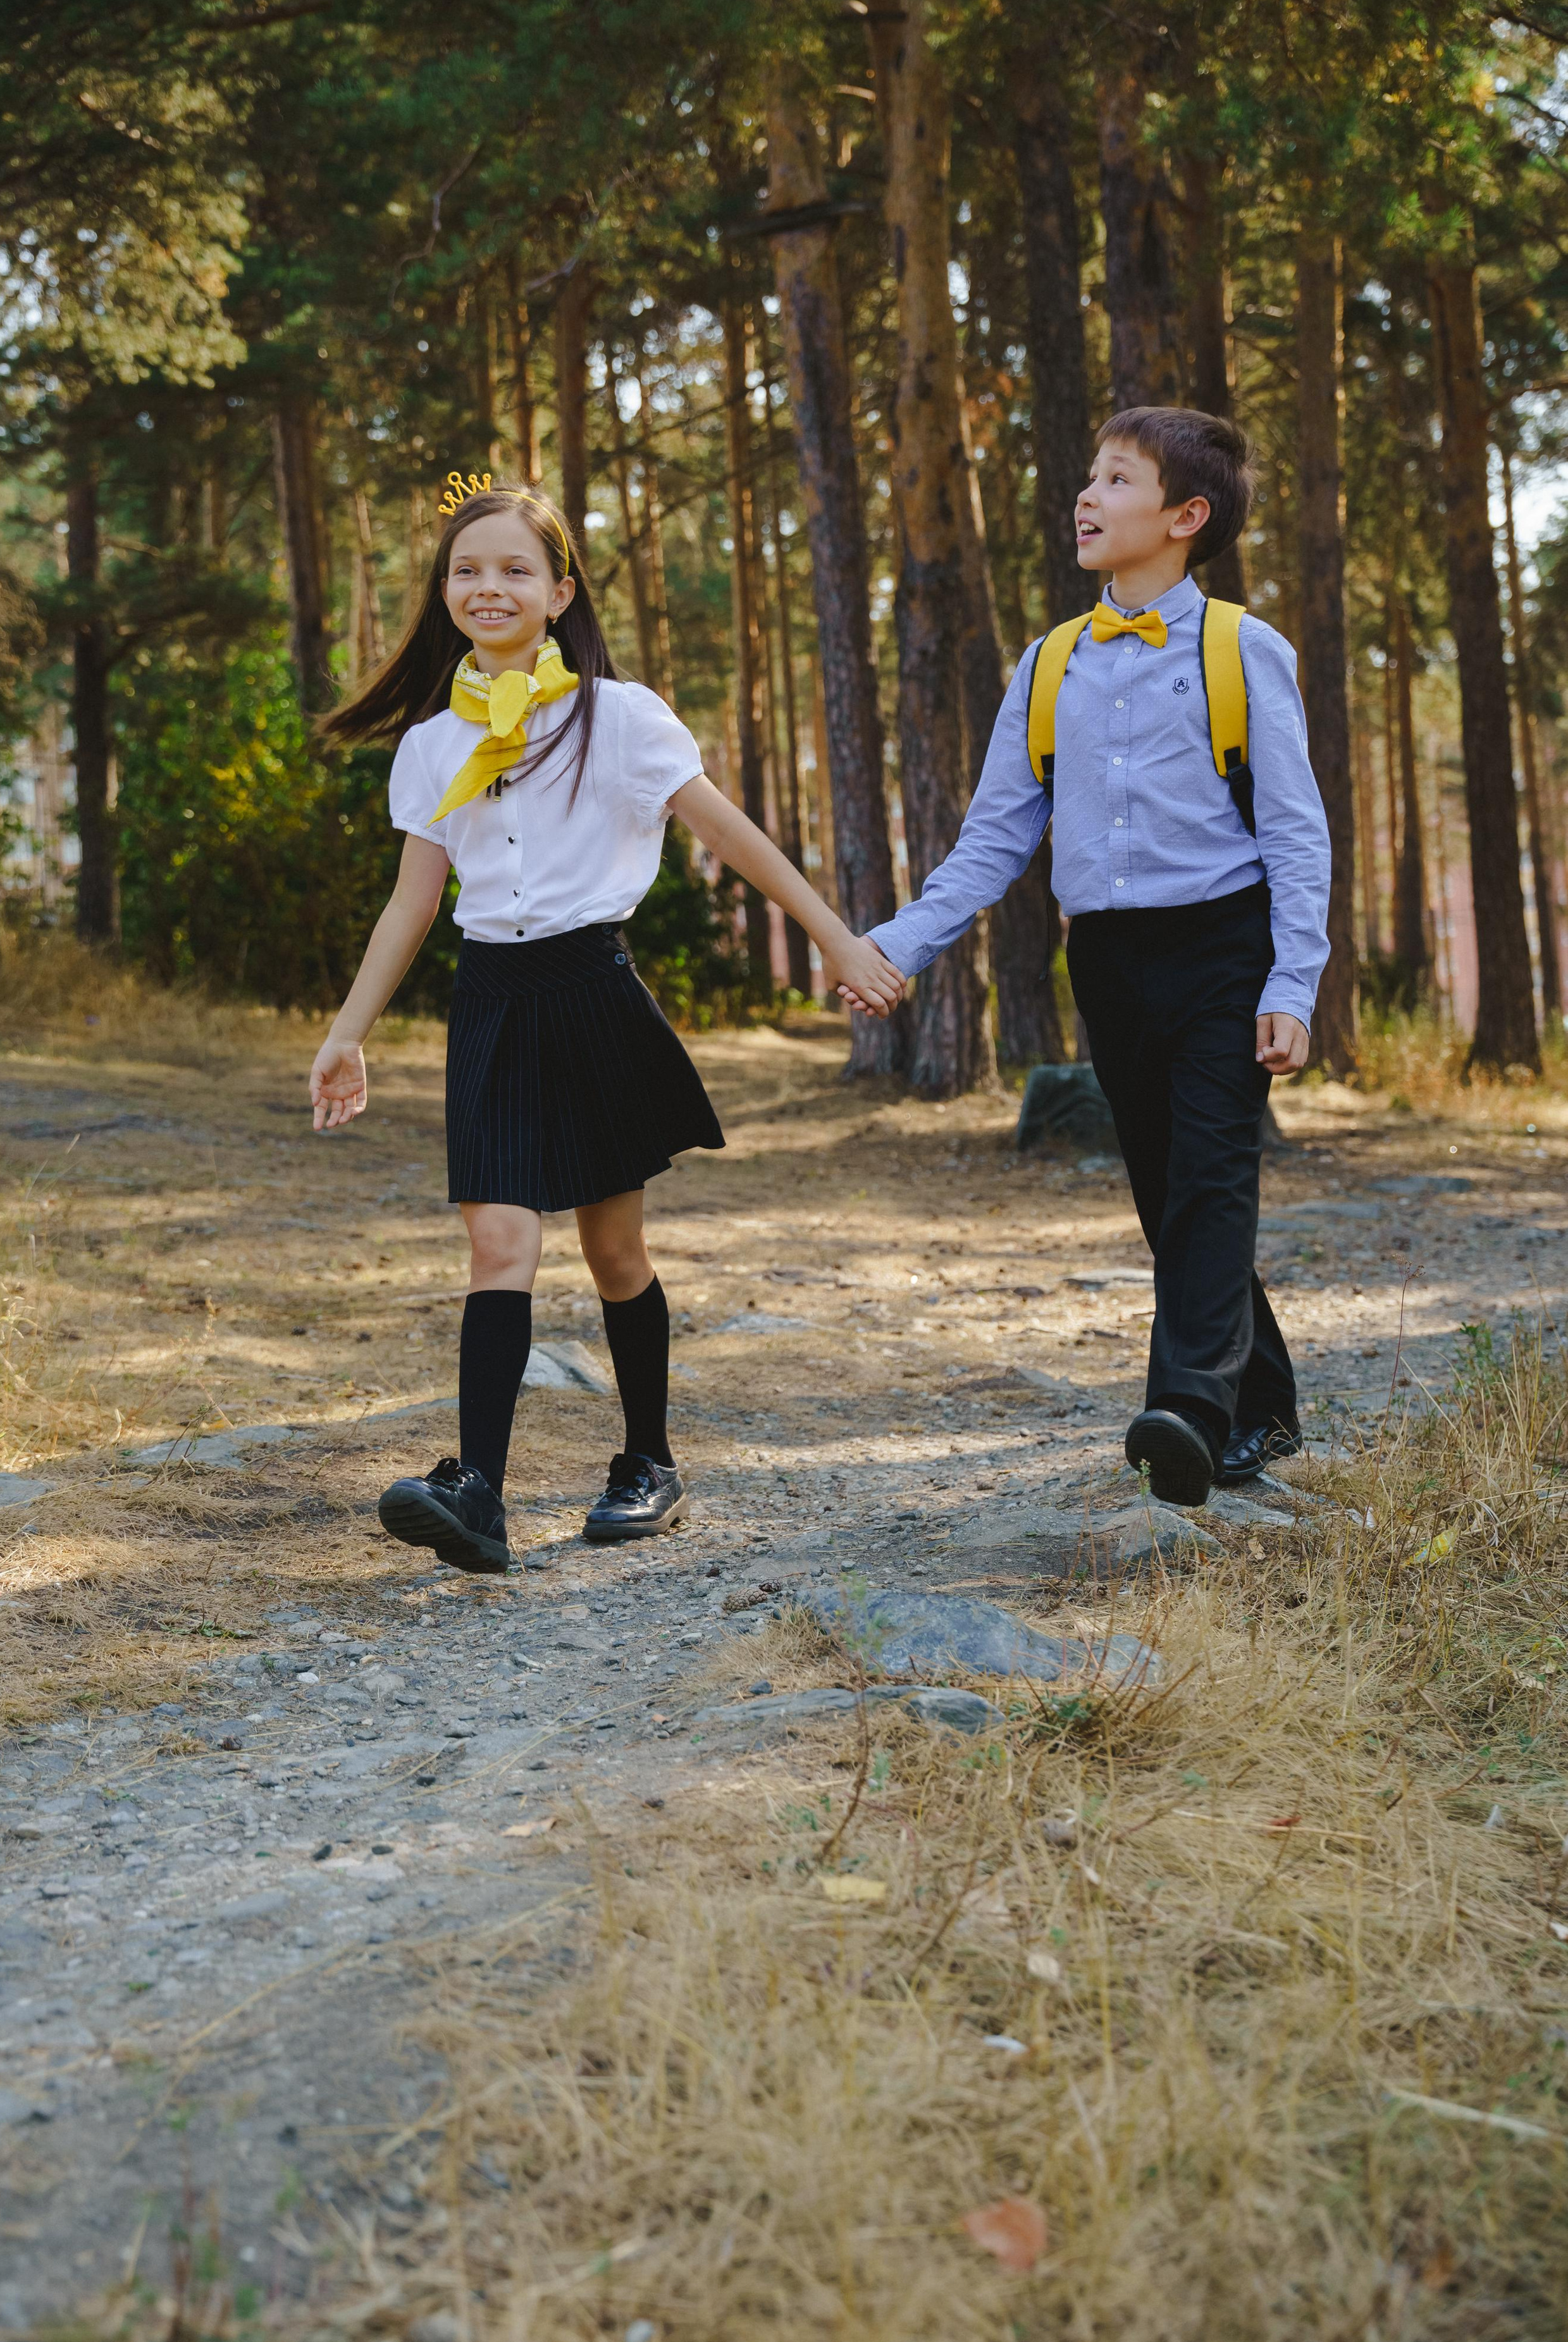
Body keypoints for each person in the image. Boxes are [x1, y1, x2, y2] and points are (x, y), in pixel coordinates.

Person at [310, 477, 902, 1573]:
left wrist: (836, 936)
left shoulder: (618, 719)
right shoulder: (435, 746)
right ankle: (477, 1490)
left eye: (513, 569)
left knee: (613, 1247)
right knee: (499, 1242)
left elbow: (733, 837)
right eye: (467, 570)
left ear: (559, 589)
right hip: (489, 1000)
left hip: (592, 993)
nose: (488, 587)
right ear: (446, 594)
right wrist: (348, 1031)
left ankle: (648, 1462)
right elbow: (413, 902)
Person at [843, 409, 1330, 1507]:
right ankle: (1266, 1407)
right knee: (1168, 1196)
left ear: (1185, 516)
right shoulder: (1050, 662)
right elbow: (996, 840)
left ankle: (1188, 1418)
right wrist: (901, 944)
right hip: (1105, 960)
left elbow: (1297, 831)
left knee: (1213, 1176)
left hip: (1225, 946)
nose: (1088, 495)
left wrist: (1293, 983)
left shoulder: (1243, 649)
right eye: (1089, 475)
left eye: (1117, 479)